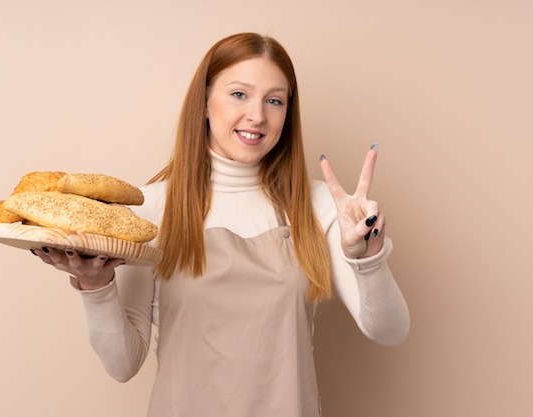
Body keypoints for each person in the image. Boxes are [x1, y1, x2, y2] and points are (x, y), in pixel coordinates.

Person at [31, 32, 410, 417]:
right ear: (206, 103)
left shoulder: (318, 206)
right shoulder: (152, 208)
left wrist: (369, 256)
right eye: (239, 94)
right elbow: (123, 364)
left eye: (274, 100)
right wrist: (95, 287)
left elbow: (389, 331)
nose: (257, 115)